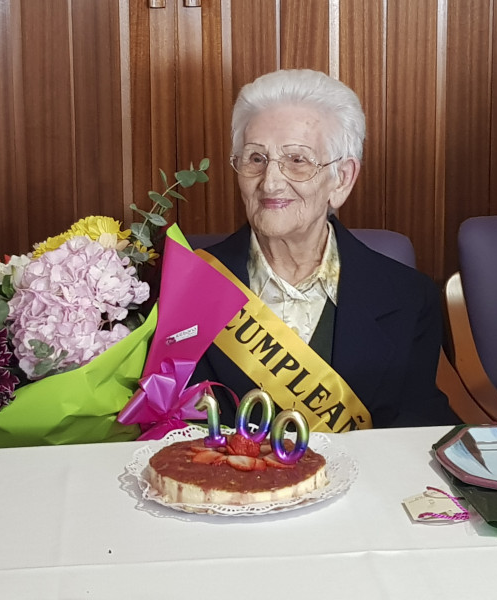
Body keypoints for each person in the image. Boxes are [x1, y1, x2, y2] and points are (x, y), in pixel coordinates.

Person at [190, 69, 456, 430]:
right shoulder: (188, 285)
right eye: (255, 158)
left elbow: (415, 427)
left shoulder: (409, 297)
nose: (270, 182)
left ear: (342, 179)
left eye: (297, 161)